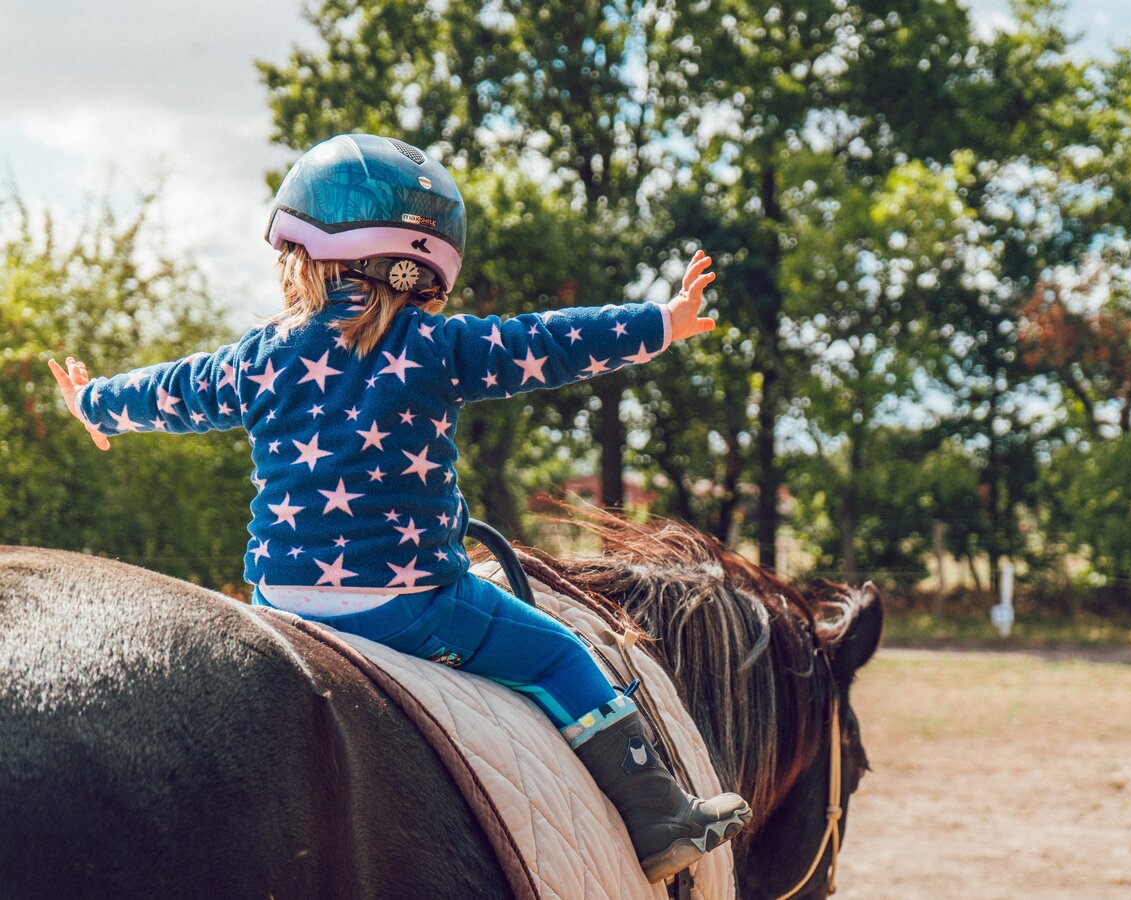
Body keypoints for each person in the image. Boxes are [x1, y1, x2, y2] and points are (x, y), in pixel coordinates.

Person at [49, 133, 750, 882]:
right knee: (558, 654)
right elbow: (549, 340)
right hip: (412, 606)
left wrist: (95, 404)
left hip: (281, 604)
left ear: (301, 254)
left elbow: (178, 390)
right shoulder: (437, 346)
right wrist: (663, 324)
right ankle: (657, 818)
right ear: (426, 268)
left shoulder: (259, 354)